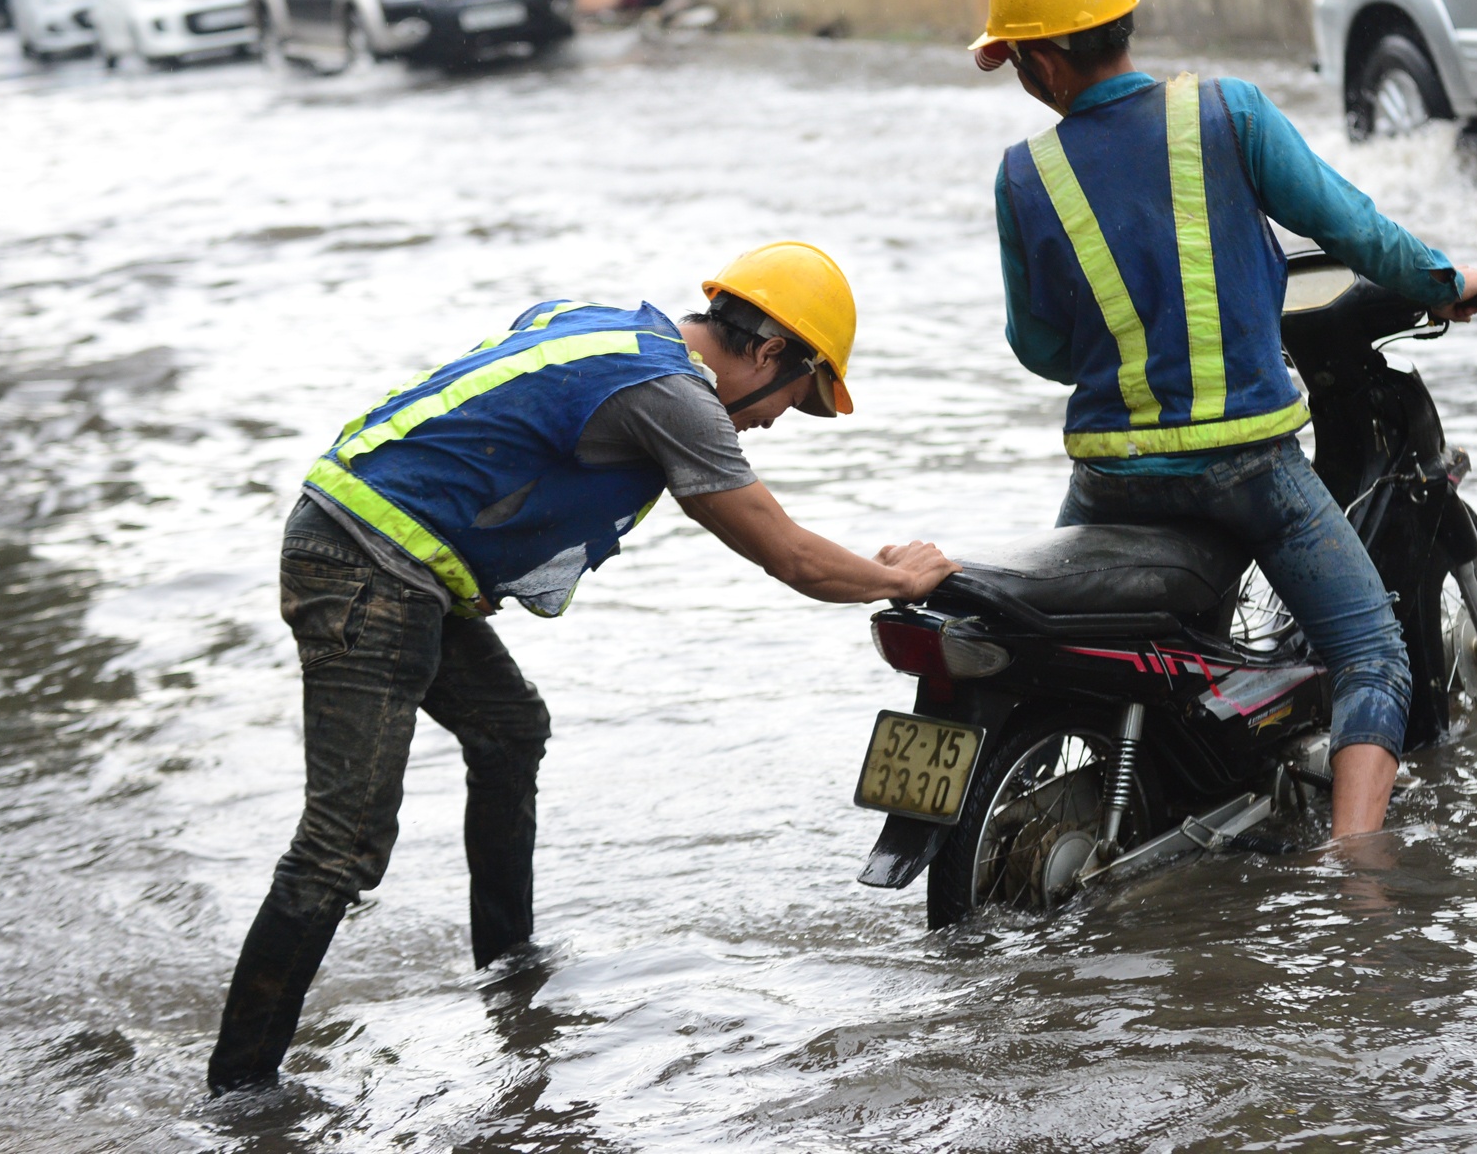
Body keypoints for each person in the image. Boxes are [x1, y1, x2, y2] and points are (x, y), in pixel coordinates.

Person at [207, 241, 957, 1095]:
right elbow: (790, 558)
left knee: (509, 730)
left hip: (382, 551)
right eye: (795, 400)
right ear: (772, 351)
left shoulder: (603, 329)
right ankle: (241, 1092)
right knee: (342, 844)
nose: (776, 421)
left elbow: (495, 418)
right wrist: (900, 577)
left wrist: (472, 538)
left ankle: (509, 967)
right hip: (369, 567)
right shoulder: (673, 397)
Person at [970, 0, 1477, 843]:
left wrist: (1124, 349)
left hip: (1108, 474)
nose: (1019, 74)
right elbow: (1353, 228)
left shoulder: (1026, 175)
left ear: (1048, 60)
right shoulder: (1228, 112)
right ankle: (1361, 876)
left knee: (1073, 656)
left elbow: (1040, 346)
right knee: (1373, 652)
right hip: (1246, 466)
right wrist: (1446, 283)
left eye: (1016, 56)